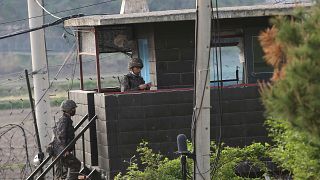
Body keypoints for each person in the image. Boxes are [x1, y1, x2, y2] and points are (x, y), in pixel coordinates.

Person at [52, 99, 81, 180]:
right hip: (60, 150)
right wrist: (64, 150)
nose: (74, 110)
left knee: (61, 174)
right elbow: (60, 136)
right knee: (76, 165)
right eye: (73, 109)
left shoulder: (65, 119)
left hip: (58, 150)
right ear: (69, 110)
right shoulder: (64, 120)